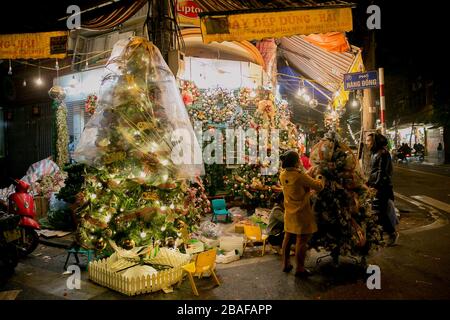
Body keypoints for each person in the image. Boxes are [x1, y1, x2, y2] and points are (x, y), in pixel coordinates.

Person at [279, 150, 324, 277]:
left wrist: (306, 174)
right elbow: (318, 186)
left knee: (287, 238)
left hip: (289, 211)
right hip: (302, 212)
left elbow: (299, 181)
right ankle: (300, 268)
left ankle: (285, 264)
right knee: (301, 240)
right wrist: (319, 175)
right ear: (296, 162)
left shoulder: (283, 174)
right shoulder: (299, 176)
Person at [366, 132, 399, 246]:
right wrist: (368, 183)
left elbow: (382, 172)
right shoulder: (374, 153)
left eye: (369, 140)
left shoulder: (383, 154)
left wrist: (375, 185)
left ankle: (392, 233)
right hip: (375, 186)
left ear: (375, 141)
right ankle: (380, 235)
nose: (367, 143)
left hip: (382, 188)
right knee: (376, 212)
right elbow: (373, 172)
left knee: (381, 212)